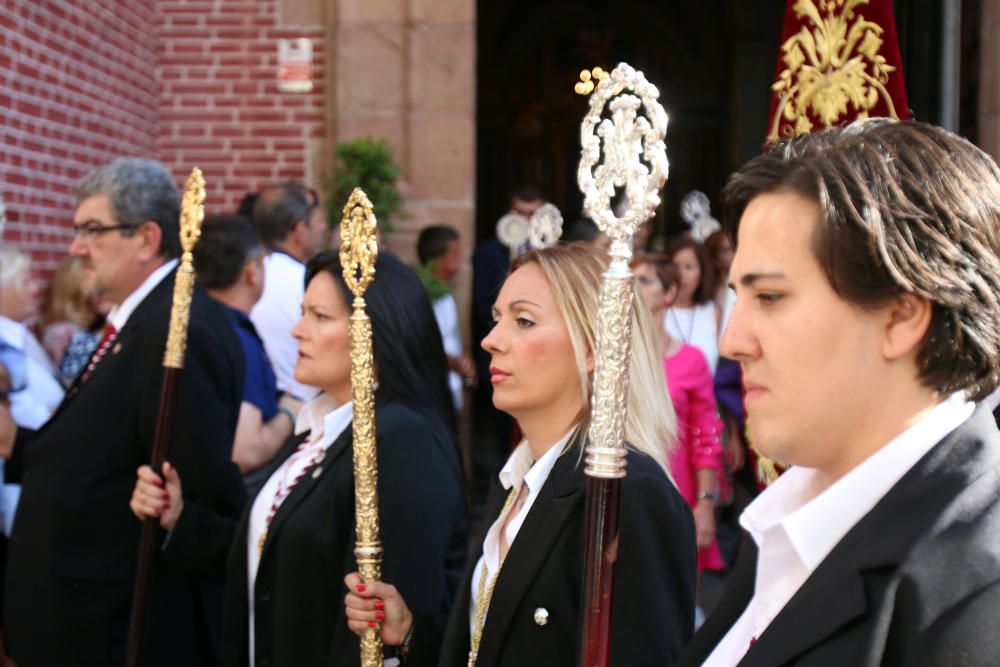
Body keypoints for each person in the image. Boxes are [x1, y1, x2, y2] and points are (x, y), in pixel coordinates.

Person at [678, 120, 1000, 666]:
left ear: (901, 317)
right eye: (739, 298)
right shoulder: (786, 520)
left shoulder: (975, 596)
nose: (732, 342)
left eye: (772, 297)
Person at [345, 243, 696, 666]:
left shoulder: (627, 494)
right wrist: (410, 633)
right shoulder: (518, 481)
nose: (491, 341)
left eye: (524, 321)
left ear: (593, 349)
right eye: (496, 320)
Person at [131, 251, 467, 667]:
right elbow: (276, 562)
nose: (297, 331)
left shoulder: (402, 441)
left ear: (375, 332)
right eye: (302, 313)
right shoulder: (321, 426)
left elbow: (387, 618)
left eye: (319, 316)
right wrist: (179, 519)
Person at [2, 158, 247, 667]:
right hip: (79, 620)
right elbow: (104, 453)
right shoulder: (134, 321)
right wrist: (19, 444)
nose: (76, 249)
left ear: (146, 238)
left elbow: (197, 495)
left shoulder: (179, 331)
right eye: (77, 231)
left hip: (120, 631)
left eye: (92, 230)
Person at [631, 255, 725, 580]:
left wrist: (705, 503)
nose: (632, 286)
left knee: (679, 589)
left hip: (677, 486)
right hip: (622, 486)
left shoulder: (691, 360)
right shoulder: (607, 355)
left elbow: (706, 434)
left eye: (644, 280)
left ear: (669, 293)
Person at [193, 215, 302, 486]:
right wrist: (290, 411)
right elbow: (245, 451)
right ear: (251, 272)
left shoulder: (189, 325)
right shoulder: (237, 339)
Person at [250, 181, 326, 402]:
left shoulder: (246, 278)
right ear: (300, 231)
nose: (322, 228)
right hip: (302, 414)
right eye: (318, 221)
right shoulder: (310, 284)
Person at [0, 247, 64, 429]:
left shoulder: (19, 335)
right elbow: (19, 412)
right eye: (25, 282)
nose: (35, 289)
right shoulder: (4, 343)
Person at [416, 224, 477, 412]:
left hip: (450, 388)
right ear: (439, 256)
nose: (460, 258)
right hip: (432, 391)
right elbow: (425, 344)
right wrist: (458, 364)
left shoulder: (445, 292)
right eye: (456, 252)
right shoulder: (422, 292)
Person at [664, 236, 722, 374]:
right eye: (675, 267)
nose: (681, 275)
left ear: (701, 273)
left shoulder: (713, 311)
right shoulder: (658, 310)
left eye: (689, 267)